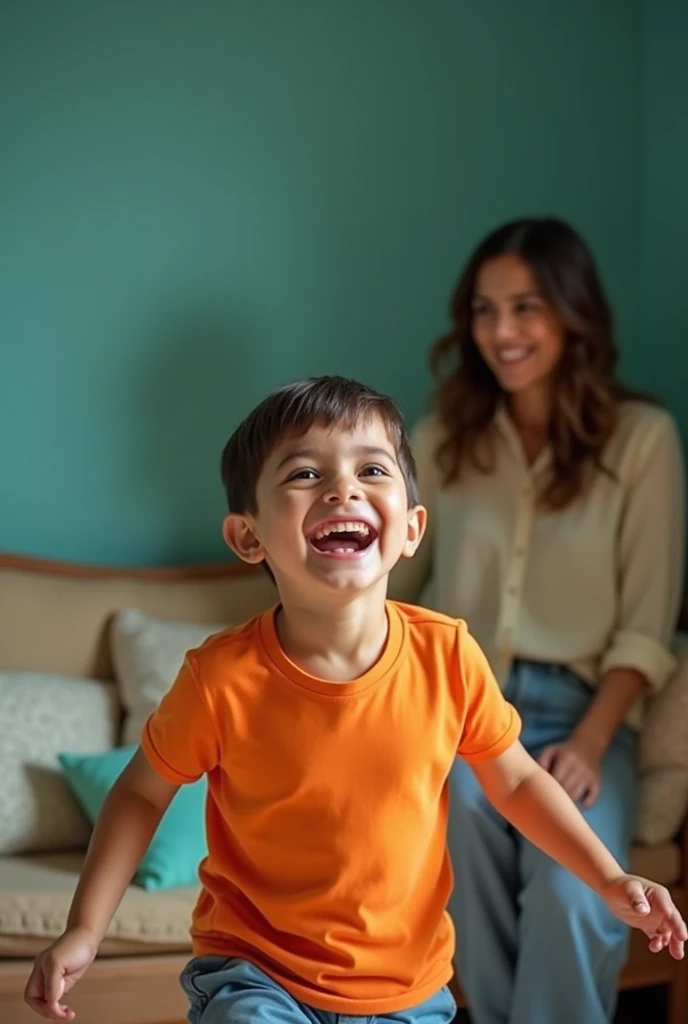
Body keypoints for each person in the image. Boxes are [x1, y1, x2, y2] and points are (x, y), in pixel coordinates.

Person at [25, 376, 685, 1024]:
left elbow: (515, 783)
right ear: (249, 537)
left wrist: (607, 878)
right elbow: (141, 792)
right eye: (305, 475)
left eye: (371, 469)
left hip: (405, 992)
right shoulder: (219, 678)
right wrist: (84, 927)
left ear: (411, 529)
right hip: (254, 971)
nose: (343, 487)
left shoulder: (448, 656)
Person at [391, 218, 687, 1024]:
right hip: (462, 713)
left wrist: (590, 742)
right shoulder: (444, 439)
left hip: (582, 718)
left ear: (571, 312)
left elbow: (646, 624)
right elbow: (391, 585)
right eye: (484, 311)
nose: (501, 332)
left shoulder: (643, 441)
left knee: (576, 885)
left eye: (525, 307)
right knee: (461, 843)